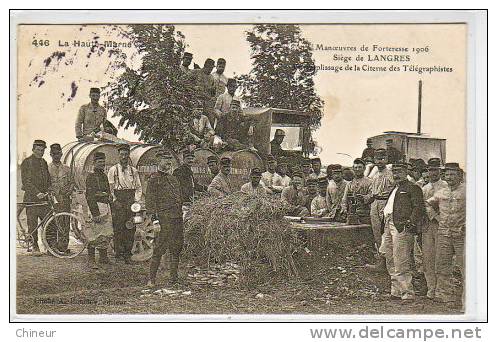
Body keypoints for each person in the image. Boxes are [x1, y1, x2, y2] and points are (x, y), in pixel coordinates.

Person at [382, 162, 426, 301]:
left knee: (401, 259)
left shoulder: (412, 188)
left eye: (400, 171)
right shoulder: (395, 188)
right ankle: (396, 291)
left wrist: (410, 223)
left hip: (401, 226)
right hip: (388, 224)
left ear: (406, 171)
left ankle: (407, 292)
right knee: (390, 257)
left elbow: (419, 207)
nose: (396, 174)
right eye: (394, 172)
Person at [426, 163, 465, 310]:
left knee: (464, 266)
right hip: (444, 232)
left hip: (461, 233)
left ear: (459, 176)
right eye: (447, 174)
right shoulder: (441, 192)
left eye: (452, 174)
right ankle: (445, 296)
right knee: (442, 264)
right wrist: (435, 217)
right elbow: (427, 204)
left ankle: (466, 299)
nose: (449, 177)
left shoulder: (468, 191)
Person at [146, 151, 184, 287]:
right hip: (163, 219)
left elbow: (179, 198)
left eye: (169, 159)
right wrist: (155, 221)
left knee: (176, 248)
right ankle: (151, 279)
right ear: (158, 162)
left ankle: (174, 278)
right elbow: (150, 203)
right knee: (159, 249)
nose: (168, 162)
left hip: (177, 218)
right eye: (165, 159)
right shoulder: (153, 179)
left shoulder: (173, 179)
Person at [108, 144, 143, 264]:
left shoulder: (134, 171)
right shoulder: (113, 170)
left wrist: (136, 200)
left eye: (126, 154)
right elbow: (110, 188)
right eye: (121, 154)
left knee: (130, 227)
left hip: (130, 200)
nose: (124, 157)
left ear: (129, 156)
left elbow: (138, 188)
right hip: (118, 199)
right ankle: (118, 254)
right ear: (118, 155)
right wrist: (114, 201)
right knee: (118, 228)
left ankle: (128, 255)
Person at [363, 148, 395, 272]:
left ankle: (390, 264)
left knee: (386, 233)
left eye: (382, 159)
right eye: (377, 159)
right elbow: (372, 191)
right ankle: (381, 263)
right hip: (375, 203)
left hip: (386, 203)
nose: (380, 162)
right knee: (377, 233)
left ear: (386, 159)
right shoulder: (375, 174)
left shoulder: (391, 173)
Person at [421, 158, 448, 299]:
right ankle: (431, 288)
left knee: (442, 256)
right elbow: (423, 206)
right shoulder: (424, 189)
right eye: (430, 169)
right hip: (428, 225)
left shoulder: (446, 186)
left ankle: (441, 289)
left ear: (440, 171)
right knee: (428, 257)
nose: (433, 172)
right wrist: (433, 216)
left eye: (435, 169)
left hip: (443, 225)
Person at [20, 140, 51, 256]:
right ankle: (35, 246)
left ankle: (48, 246)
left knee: (47, 222)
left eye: (42, 150)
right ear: (33, 149)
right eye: (38, 150)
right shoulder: (26, 162)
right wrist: (37, 193)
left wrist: (48, 190)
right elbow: (26, 182)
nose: (40, 152)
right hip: (31, 198)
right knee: (32, 224)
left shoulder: (44, 162)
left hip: (43, 199)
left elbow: (47, 179)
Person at [85, 152, 113, 269]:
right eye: (99, 162)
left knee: (105, 233)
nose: (102, 164)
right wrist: (95, 213)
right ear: (94, 163)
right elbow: (90, 196)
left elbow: (106, 190)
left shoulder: (104, 176)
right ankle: (91, 259)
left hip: (105, 206)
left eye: (103, 162)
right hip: (95, 206)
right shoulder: (91, 177)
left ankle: (103, 257)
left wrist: (109, 196)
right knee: (94, 233)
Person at [46, 143, 74, 254]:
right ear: (51, 155)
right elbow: (46, 184)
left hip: (65, 199)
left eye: (58, 154)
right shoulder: (47, 168)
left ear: (61, 154)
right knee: (52, 223)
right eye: (54, 154)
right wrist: (51, 192)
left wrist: (68, 191)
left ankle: (63, 246)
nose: (56, 156)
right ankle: (51, 247)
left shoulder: (67, 169)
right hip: (52, 200)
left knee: (65, 221)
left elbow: (72, 182)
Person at [341, 158, 373, 224]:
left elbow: (372, 196)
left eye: (360, 167)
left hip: (365, 214)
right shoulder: (350, 184)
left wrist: (364, 197)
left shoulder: (370, 182)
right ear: (353, 169)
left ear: (364, 168)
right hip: (352, 214)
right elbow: (344, 199)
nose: (357, 169)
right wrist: (344, 208)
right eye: (355, 167)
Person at [190, 58, 217, 125]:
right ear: (205, 65)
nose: (211, 70)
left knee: (210, 120)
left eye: (212, 68)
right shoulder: (195, 72)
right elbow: (185, 82)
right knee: (195, 120)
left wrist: (212, 96)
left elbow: (213, 92)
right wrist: (193, 87)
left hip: (207, 102)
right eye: (209, 68)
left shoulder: (211, 78)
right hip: (195, 100)